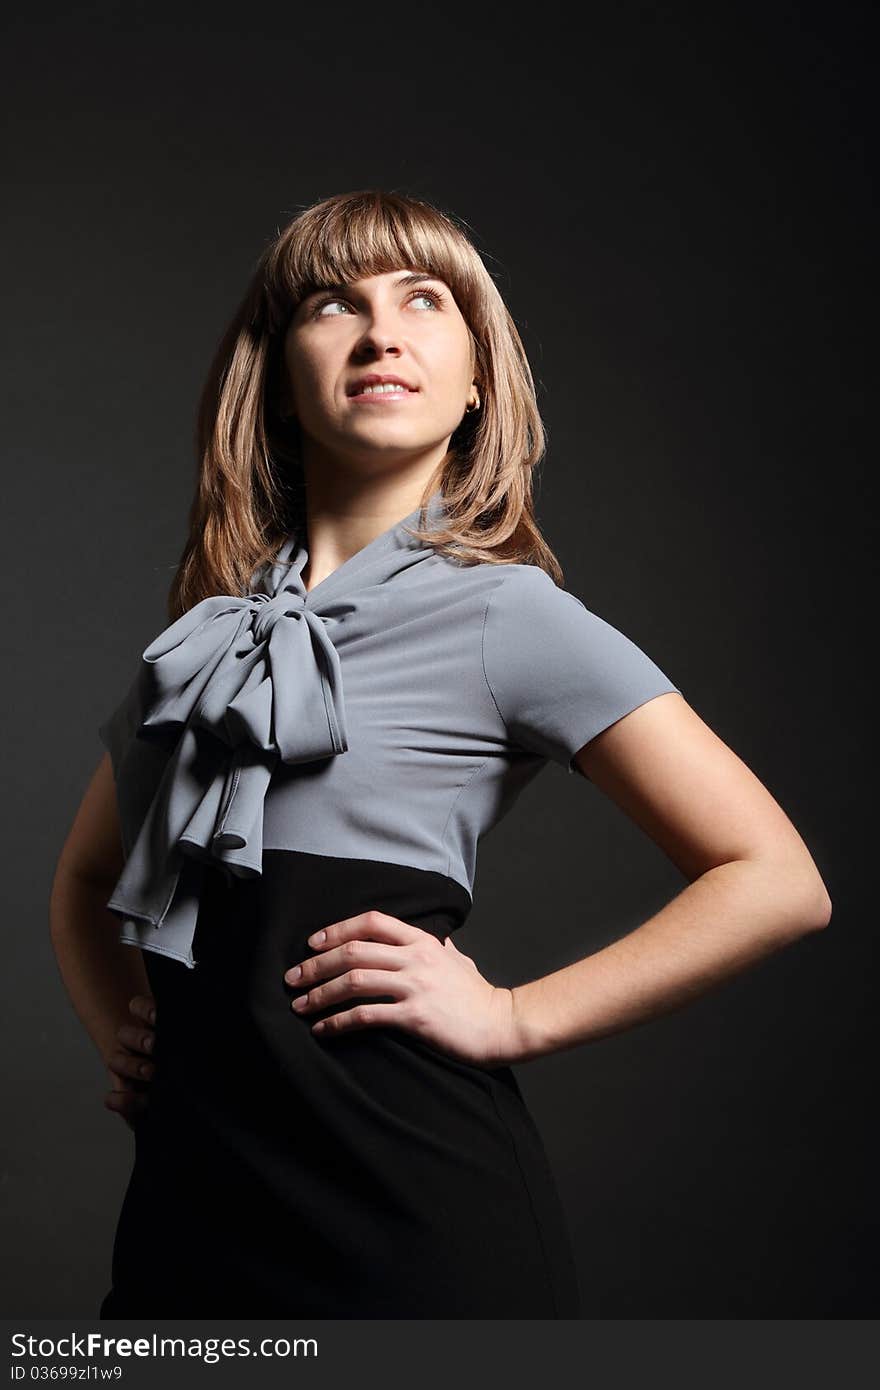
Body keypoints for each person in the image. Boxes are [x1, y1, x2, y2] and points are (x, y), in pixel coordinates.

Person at [49, 189, 832, 1319]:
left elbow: (777, 880)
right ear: (275, 373)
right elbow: (83, 884)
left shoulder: (507, 616)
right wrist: (129, 1033)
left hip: (410, 1228)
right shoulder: (200, 642)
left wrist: (514, 1015)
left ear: (475, 382)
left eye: (425, 300)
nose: (380, 332)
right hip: (185, 1230)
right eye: (334, 303)